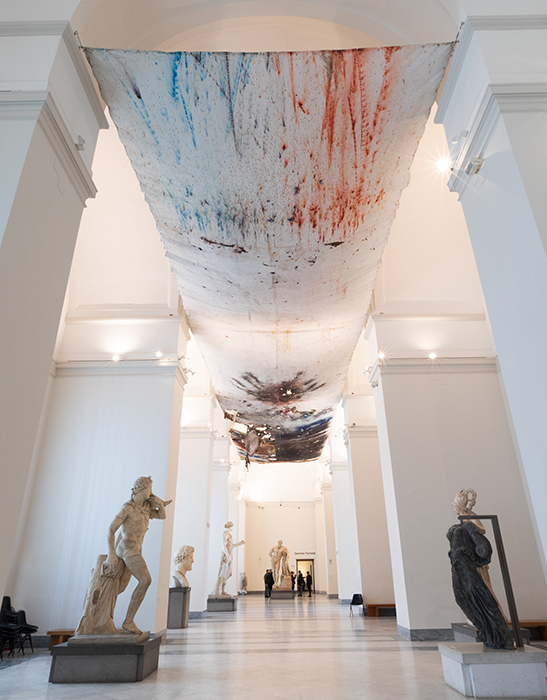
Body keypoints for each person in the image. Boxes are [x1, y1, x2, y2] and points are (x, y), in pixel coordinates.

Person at [76, 476, 171, 636]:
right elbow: (110, 531)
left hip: (136, 550)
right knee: (145, 580)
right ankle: (128, 621)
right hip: (127, 549)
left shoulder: (145, 509)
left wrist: (160, 504)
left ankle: (99, 617)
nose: (151, 492)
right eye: (149, 489)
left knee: (120, 587)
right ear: (141, 489)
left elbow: (162, 516)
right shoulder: (128, 508)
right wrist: (111, 554)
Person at [214, 521, 245, 598]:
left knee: (229, 573)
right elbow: (223, 545)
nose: (233, 528)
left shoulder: (229, 534)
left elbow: (230, 546)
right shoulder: (225, 533)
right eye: (232, 526)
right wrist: (227, 555)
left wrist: (239, 543)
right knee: (224, 573)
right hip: (226, 555)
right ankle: (219, 591)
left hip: (230, 554)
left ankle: (223, 590)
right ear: (230, 526)